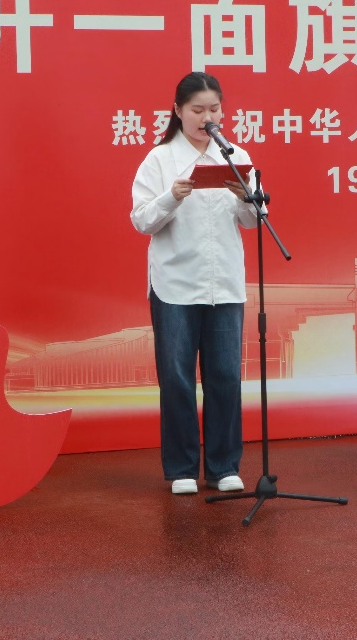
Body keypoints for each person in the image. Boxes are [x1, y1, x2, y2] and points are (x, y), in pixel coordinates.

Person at [130, 72, 260, 494]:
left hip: (224, 283)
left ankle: (224, 467)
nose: (207, 118)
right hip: (175, 284)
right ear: (178, 111)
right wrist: (172, 196)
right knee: (177, 379)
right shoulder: (160, 159)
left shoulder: (236, 156)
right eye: (197, 110)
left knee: (225, 376)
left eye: (214, 109)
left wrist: (245, 198)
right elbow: (141, 220)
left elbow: (253, 220)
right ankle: (182, 468)